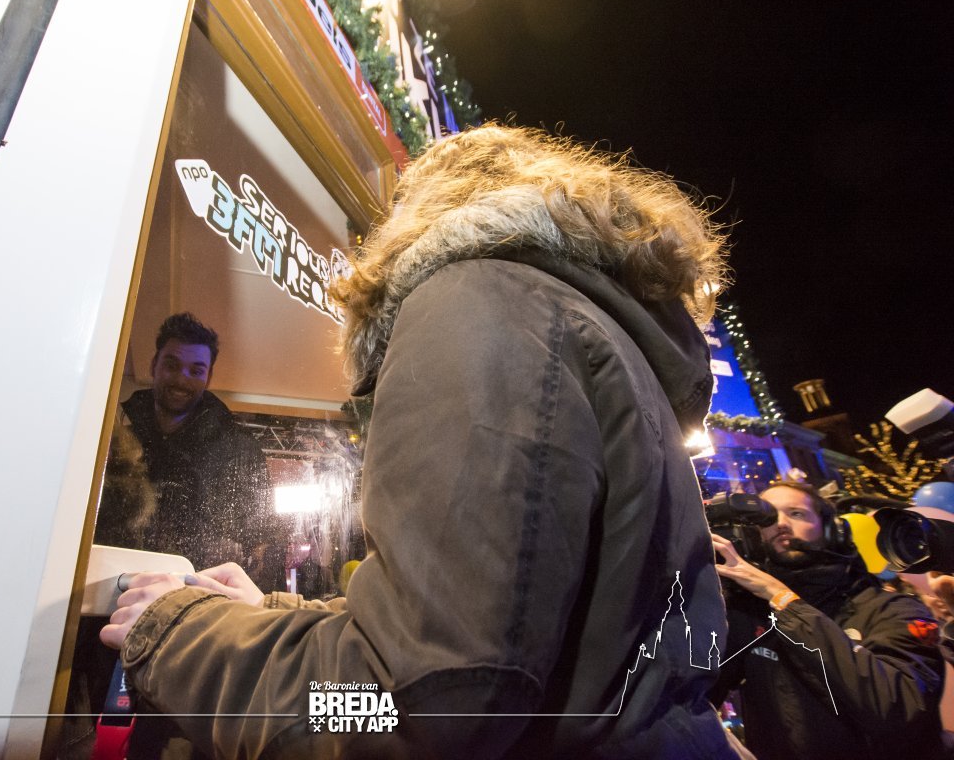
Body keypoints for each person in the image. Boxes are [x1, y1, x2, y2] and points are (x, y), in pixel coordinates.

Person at [99, 125, 737, 758]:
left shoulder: (479, 302)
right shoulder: (579, 326)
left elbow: (400, 707)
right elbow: (500, 644)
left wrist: (181, 634)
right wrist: (266, 614)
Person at [712, 480, 946, 759]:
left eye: (796, 513)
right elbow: (693, 689)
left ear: (832, 530)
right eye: (768, 516)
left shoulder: (892, 609)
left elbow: (897, 708)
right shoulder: (749, 611)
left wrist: (783, 600)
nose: (781, 524)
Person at [95, 312, 277, 588]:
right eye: (172, 365)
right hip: (115, 590)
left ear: (209, 376)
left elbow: (260, 543)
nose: (182, 379)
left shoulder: (240, 451)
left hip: (198, 599)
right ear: (154, 365)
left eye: (196, 370)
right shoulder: (120, 446)